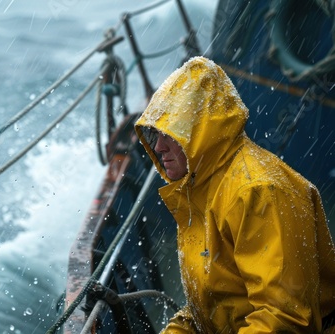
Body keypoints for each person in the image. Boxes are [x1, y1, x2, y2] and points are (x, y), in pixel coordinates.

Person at [134, 56, 335, 333]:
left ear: (199, 132)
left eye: (170, 133)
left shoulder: (258, 191)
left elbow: (284, 318)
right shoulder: (201, 190)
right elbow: (211, 307)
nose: (158, 147)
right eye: (155, 134)